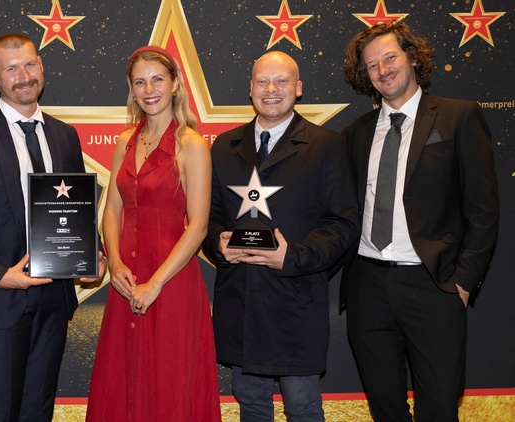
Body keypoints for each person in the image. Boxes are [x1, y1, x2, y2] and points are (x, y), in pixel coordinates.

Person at [0, 34, 106, 422]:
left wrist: (90, 252)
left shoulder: (64, 135)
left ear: (41, 66)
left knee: (38, 412)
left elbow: (75, 208)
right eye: (11, 68)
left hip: (54, 298)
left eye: (30, 64)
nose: (24, 76)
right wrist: (0, 276)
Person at [341, 22, 499, 422]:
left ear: (412, 57)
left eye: (389, 57)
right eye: (372, 65)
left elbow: (483, 209)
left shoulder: (458, 117)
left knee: (440, 408)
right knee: (386, 408)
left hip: (433, 285)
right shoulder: (356, 133)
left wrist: (462, 283)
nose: (382, 69)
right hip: (368, 286)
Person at [202, 51, 359, 422]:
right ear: (251, 88)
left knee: (302, 406)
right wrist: (218, 244)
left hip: (296, 302)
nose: (271, 89)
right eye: (262, 81)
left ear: (298, 88)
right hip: (240, 301)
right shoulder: (224, 146)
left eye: (281, 80)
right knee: (250, 403)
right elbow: (209, 216)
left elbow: (343, 222)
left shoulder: (326, 145)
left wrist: (294, 257)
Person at [86, 45, 221, 422]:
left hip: (171, 282)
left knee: (169, 384)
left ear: (175, 84)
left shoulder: (192, 145)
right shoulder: (124, 141)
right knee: (122, 378)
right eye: (140, 82)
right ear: (131, 89)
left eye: (158, 79)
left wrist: (156, 283)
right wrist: (115, 264)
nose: (149, 90)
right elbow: (111, 210)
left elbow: (198, 226)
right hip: (126, 280)